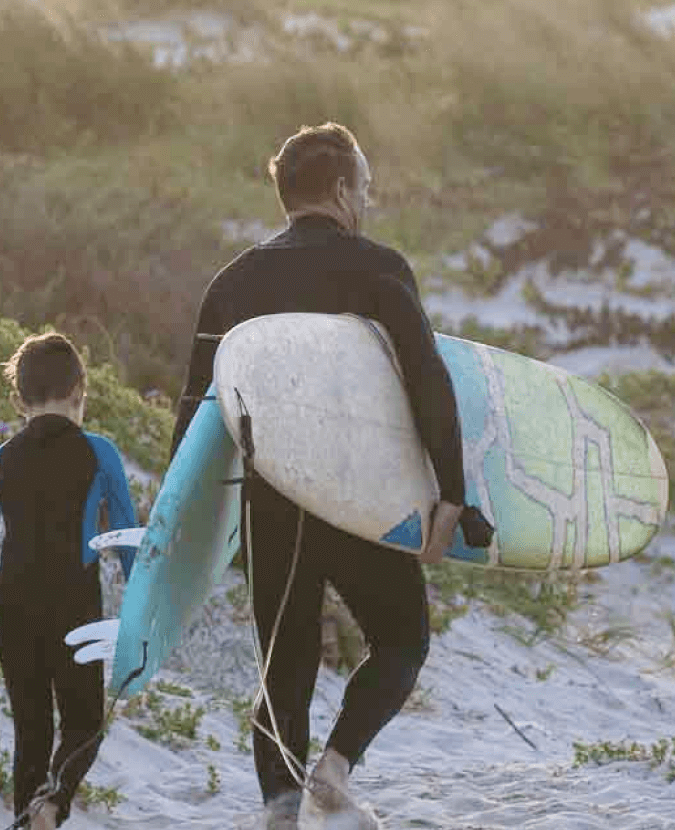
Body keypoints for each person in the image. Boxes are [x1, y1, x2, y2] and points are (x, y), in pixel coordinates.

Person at [168, 122, 489, 828]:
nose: (368, 199)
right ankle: (337, 768)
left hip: (269, 500)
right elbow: (426, 379)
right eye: (365, 187)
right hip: (354, 494)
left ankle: (280, 812)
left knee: (285, 662)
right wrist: (451, 492)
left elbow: (197, 410)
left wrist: (182, 522)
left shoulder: (232, 282)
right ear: (342, 190)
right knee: (403, 638)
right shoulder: (376, 268)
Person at [0, 332, 142, 830]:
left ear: (18, 400)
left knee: (29, 733)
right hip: (73, 604)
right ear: (81, 389)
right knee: (83, 724)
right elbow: (124, 540)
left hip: (12, 609)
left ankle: (28, 816)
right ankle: (51, 805)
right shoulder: (99, 453)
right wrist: (144, 616)